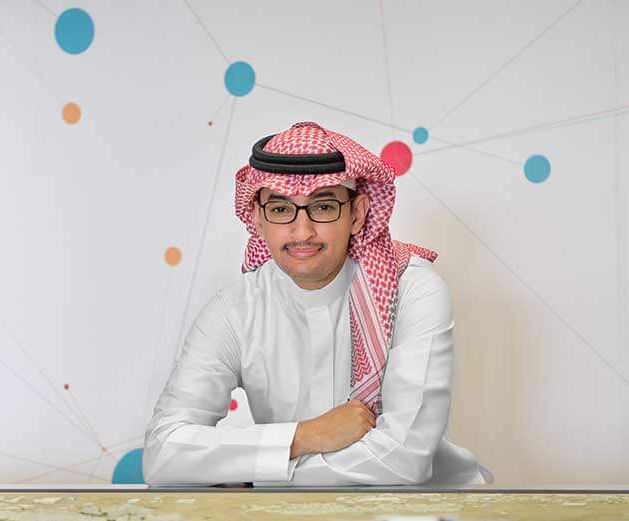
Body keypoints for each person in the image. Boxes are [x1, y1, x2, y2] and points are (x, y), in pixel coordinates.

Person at [143, 121, 491, 488]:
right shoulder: (235, 310)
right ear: (258, 219)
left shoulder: (414, 291)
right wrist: (304, 436)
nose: (302, 231)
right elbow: (163, 454)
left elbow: (403, 460)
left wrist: (259, 474)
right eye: (281, 209)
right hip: (291, 516)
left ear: (357, 214)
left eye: (323, 207)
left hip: (426, 512)